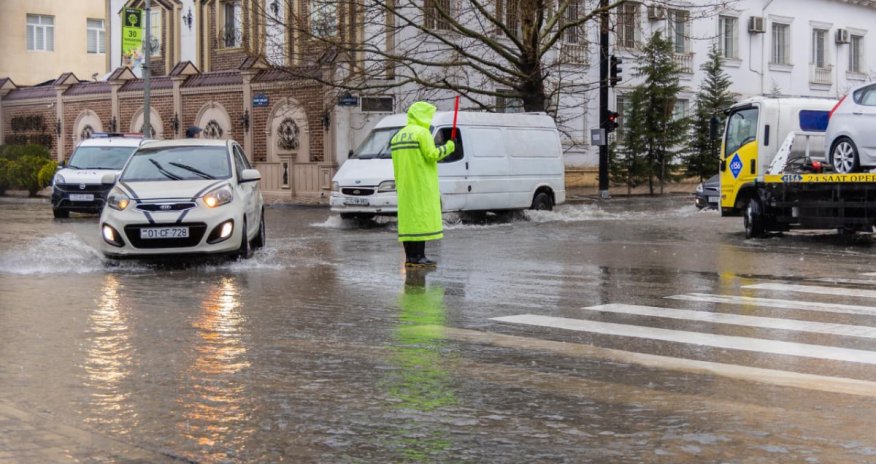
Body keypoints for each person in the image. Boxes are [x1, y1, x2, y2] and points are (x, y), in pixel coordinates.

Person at [390, 101, 455, 267]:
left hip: (404, 185)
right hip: (421, 184)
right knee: (420, 220)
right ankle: (419, 256)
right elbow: (432, 155)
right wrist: (449, 146)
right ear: (422, 115)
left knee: (408, 221)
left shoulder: (398, 136)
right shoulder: (422, 133)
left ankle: (410, 257)